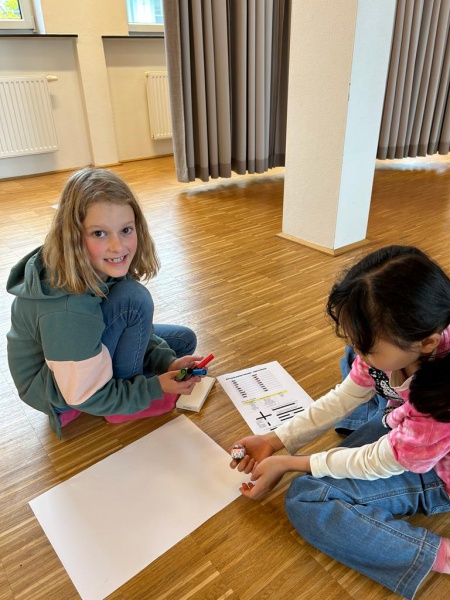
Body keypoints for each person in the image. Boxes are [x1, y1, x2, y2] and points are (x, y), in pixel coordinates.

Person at [229, 245, 450, 599]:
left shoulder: (438, 404)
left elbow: (380, 461)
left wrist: (290, 462)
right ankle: (381, 407)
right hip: (406, 426)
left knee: (308, 497)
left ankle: (437, 555)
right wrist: (275, 440)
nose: (361, 353)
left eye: (367, 347)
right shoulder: (407, 338)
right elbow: (346, 395)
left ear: (426, 342)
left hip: (436, 471)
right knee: (355, 365)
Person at [7, 167, 204, 439]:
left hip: (76, 352)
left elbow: (138, 329)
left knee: (182, 341)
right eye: (99, 233)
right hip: (57, 391)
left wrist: (166, 362)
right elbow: (81, 394)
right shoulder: (67, 311)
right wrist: (153, 389)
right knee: (134, 300)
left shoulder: (96, 263)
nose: (118, 246)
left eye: (126, 230)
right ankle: (119, 407)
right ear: (73, 237)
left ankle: (123, 386)